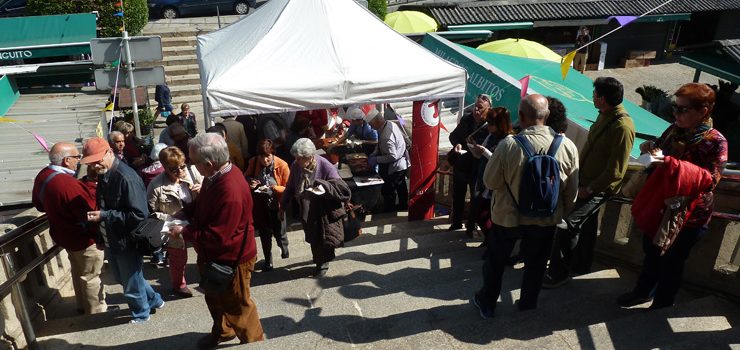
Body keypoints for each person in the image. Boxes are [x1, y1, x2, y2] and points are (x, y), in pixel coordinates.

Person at [617, 83, 728, 309]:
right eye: (675, 108)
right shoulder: (673, 130)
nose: (675, 113)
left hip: (689, 215)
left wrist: (672, 165)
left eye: (682, 109)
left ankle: (662, 304)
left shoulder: (716, 142)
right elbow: (659, 150)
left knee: (672, 263)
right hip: (660, 205)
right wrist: (650, 149)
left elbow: (710, 180)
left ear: (703, 111)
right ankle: (641, 292)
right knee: (651, 253)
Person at [472, 94, 579, 319]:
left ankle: (488, 302)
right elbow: (572, 192)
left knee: (496, 261)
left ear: (521, 116)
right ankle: (528, 302)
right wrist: (558, 212)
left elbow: (490, 182)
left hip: (508, 217)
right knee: (537, 263)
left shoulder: (509, 145)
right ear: (547, 115)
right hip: (545, 219)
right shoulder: (567, 146)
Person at [169, 133, 264, 347]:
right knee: (214, 298)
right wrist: (184, 213)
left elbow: (218, 237)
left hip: (231, 258)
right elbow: (203, 202)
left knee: (239, 306)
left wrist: (183, 232)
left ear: (210, 164)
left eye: (194, 162)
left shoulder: (229, 190)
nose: (192, 166)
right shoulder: (216, 176)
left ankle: (254, 342)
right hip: (214, 256)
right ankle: (223, 332)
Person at [544, 77, 635, 288]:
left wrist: (590, 189)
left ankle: (557, 272)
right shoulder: (605, 115)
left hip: (598, 187)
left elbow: (616, 170)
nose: (592, 97)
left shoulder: (622, 126)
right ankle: (580, 266)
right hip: (585, 181)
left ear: (602, 99)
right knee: (586, 227)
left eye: (594, 94)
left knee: (568, 224)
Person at [81, 137, 164, 324]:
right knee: (125, 277)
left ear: (109, 153)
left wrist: (105, 215)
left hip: (127, 239)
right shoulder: (105, 173)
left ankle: (141, 314)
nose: (94, 166)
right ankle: (154, 300)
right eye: (91, 163)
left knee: (130, 281)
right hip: (113, 236)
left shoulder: (126, 177)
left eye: (97, 160)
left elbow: (138, 215)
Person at [31, 142, 108, 315]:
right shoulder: (68, 184)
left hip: (63, 235)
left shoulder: (43, 176)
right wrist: (92, 186)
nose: (79, 161)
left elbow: (39, 205)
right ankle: (96, 313)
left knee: (78, 272)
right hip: (83, 237)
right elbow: (90, 212)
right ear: (66, 160)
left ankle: (82, 306)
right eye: (76, 157)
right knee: (91, 277)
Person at [279, 138, 349, 277]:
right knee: (312, 235)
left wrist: (323, 187)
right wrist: (283, 207)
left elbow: (339, 188)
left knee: (322, 236)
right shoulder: (295, 166)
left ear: (310, 157)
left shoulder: (324, 165)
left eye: (300, 158)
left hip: (323, 208)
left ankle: (322, 263)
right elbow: (291, 187)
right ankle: (319, 260)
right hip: (306, 207)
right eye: (296, 158)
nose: (297, 161)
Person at [147, 146, 203, 298]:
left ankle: (206, 278)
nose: (180, 171)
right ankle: (179, 285)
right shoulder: (156, 185)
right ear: (164, 168)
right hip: (174, 226)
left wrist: (202, 190)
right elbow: (151, 212)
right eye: (174, 169)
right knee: (178, 258)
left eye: (182, 166)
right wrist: (171, 219)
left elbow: (211, 191)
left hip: (197, 221)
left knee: (204, 251)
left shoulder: (193, 172)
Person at [468, 107, 514, 246]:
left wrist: (486, 152)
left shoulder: (508, 140)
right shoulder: (491, 136)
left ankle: (491, 241)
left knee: (486, 214)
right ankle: (489, 239)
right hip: (483, 179)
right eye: (488, 122)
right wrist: (473, 147)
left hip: (496, 184)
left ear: (501, 124)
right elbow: (480, 155)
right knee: (477, 212)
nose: (488, 125)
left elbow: (501, 161)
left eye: (492, 123)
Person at [245, 139, 290, 271]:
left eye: (268, 156)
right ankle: (268, 261)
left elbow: (288, 188)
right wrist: (250, 182)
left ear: (273, 154)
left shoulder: (282, 165)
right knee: (265, 233)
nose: (265, 160)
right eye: (262, 157)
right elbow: (246, 176)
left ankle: (283, 247)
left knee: (279, 231)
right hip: (260, 204)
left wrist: (275, 188)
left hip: (277, 204)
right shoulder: (253, 162)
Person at [449, 94, 492, 234]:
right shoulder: (466, 119)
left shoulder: (490, 126)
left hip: (478, 167)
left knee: (476, 198)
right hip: (462, 164)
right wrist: (458, 144)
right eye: (475, 106)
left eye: (480, 108)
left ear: (488, 109)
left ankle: (471, 225)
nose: (476, 110)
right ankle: (456, 223)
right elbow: (454, 136)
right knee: (458, 196)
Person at [366, 105, 409, 212]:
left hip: (395, 165)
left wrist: (376, 159)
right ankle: (403, 206)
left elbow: (392, 156)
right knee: (401, 187)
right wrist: (375, 153)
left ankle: (390, 209)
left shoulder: (386, 135)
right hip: (401, 162)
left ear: (376, 121)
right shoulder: (389, 124)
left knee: (390, 190)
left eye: (371, 124)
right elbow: (380, 144)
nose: (371, 127)